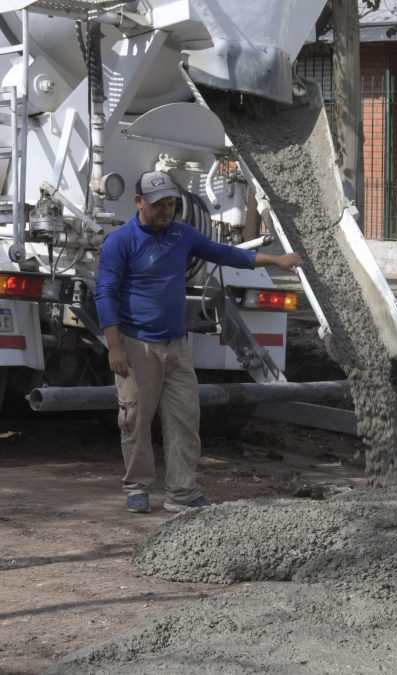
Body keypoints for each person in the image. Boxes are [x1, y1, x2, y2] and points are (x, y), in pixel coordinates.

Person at [96, 170, 303, 514]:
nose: (166, 210)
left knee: (184, 419)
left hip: (176, 346)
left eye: (171, 204)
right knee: (135, 420)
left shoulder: (182, 234)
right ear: (138, 203)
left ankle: (182, 493)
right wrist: (115, 345)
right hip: (136, 346)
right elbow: (105, 294)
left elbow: (226, 254)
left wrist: (277, 260)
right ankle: (137, 487)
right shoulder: (120, 242)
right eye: (158, 204)